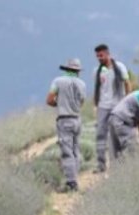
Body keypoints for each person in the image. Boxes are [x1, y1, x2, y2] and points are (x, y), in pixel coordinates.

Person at [47, 58, 86, 193]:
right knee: (76, 150)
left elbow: (50, 99)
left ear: (67, 69)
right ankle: (76, 176)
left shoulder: (58, 81)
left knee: (66, 152)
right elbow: (82, 101)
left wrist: (60, 104)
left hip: (64, 119)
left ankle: (71, 183)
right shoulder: (82, 84)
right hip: (77, 119)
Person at [92, 44, 130, 173]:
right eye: (97, 56)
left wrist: (127, 100)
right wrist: (95, 105)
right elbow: (97, 89)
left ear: (108, 54)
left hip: (117, 105)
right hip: (103, 105)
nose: (99, 58)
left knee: (116, 135)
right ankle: (101, 164)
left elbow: (127, 83)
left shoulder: (119, 67)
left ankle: (118, 163)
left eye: (101, 55)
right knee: (100, 135)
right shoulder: (97, 71)